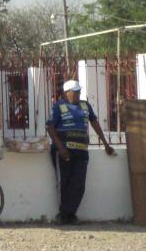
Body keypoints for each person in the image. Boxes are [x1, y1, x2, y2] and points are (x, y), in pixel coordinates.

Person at [46, 80, 116, 225]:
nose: (78, 94)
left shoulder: (85, 105)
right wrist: (61, 148)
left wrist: (105, 144)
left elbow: (94, 123)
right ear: (67, 93)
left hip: (81, 150)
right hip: (64, 151)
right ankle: (64, 215)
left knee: (79, 184)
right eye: (75, 91)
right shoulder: (58, 106)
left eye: (79, 91)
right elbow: (51, 128)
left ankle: (70, 214)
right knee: (64, 182)